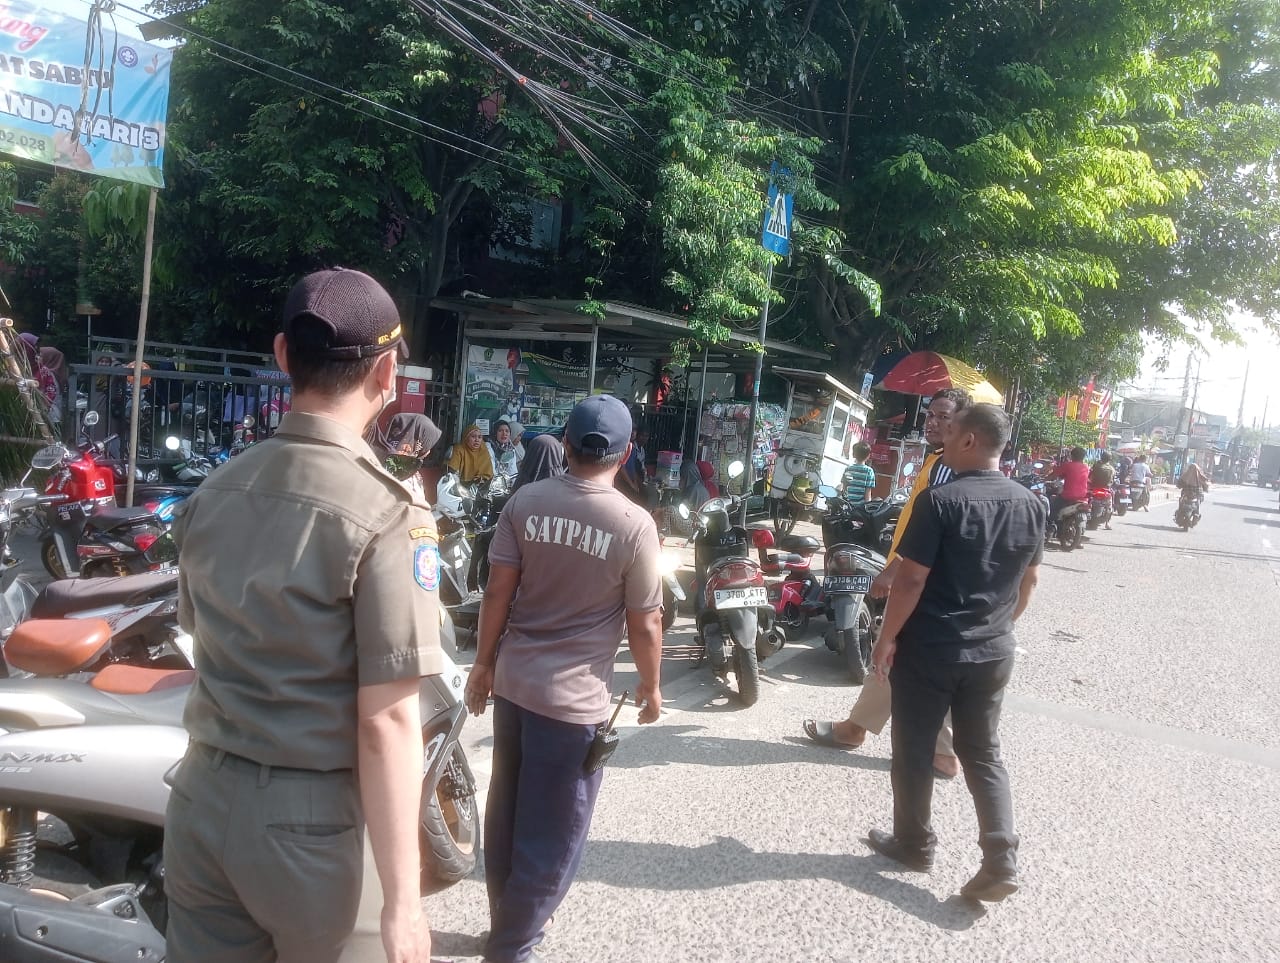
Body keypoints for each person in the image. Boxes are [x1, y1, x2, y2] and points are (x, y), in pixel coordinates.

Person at [164, 267, 440, 962]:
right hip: (307, 828)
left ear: (284, 356)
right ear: (386, 374)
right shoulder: (389, 513)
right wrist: (405, 902)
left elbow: (197, 633)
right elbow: (387, 720)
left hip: (199, 801)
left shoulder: (215, 490)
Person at [465, 394, 664, 963]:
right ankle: (513, 945)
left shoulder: (525, 501)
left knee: (507, 809)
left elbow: (497, 592)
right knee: (553, 833)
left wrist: (483, 665)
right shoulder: (633, 524)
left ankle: (506, 925)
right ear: (624, 455)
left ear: (566, 445)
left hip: (514, 685)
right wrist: (650, 686)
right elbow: (645, 622)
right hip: (573, 702)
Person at [866, 403, 1044, 902]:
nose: (942, 437)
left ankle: (914, 844)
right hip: (992, 652)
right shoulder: (1031, 503)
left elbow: (912, 579)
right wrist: (998, 627)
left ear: (969, 441)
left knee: (915, 749)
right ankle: (1000, 860)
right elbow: (1029, 581)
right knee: (984, 754)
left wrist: (885, 639)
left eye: (952, 431)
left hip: (932, 650)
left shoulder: (939, 500)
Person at [801, 388, 971, 779]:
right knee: (897, 657)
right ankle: (858, 729)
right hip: (925, 575)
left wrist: (896, 569)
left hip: (922, 577)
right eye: (931, 414)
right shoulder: (939, 460)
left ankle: (928, 749)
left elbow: (931, 529)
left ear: (963, 423)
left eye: (944, 416)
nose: (933, 421)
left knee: (894, 650)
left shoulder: (949, 468)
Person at [368, 412, 443, 503]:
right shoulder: (400, 472)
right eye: (427, 445)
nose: (428, 451)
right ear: (418, 444)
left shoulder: (380, 459)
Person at [1048, 446, 1090, 515]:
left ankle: (1051, 523)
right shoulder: (1086, 467)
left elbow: (1053, 475)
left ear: (1072, 456)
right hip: (1082, 496)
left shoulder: (1067, 465)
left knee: (1052, 508)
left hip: (1068, 496)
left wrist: (1043, 480)